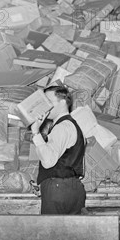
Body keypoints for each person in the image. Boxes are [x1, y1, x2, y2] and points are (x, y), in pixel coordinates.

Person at [31, 86, 86, 215]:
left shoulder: (62, 127)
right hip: (72, 187)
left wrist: (35, 133)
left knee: (52, 232)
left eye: (49, 101)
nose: (45, 107)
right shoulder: (73, 125)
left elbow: (49, 161)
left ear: (62, 102)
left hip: (58, 189)